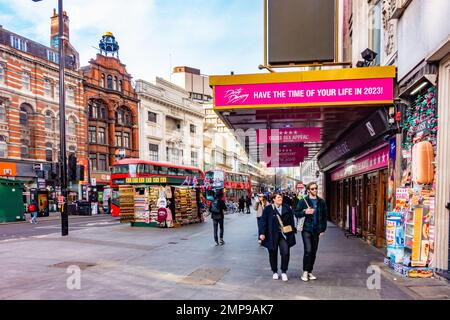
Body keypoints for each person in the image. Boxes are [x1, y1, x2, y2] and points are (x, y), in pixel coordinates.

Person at [294, 182, 328, 282]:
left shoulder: (321, 201)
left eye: (316, 188)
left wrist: (323, 229)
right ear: (308, 190)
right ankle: (304, 271)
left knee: (313, 252)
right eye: (312, 189)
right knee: (308, 250)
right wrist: (305, 212)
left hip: (316, 230)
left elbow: (325, 216)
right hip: (306, 229)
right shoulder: (303, 201)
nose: (315, 190)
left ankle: (309, 271)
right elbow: (296, 213)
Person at [259, 192, 296, 282]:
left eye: (281, 197)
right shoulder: (268, 209)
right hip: (271, 234)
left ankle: (284, 271)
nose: (280, 199)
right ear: (273, 199)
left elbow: (292, 220)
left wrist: (292, 230)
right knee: (272, 253)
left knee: (285, 252)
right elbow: (263, 221)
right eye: (278, 197)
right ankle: (274, 271)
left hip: (284, 234)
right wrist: (262, 233)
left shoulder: (287, 207)